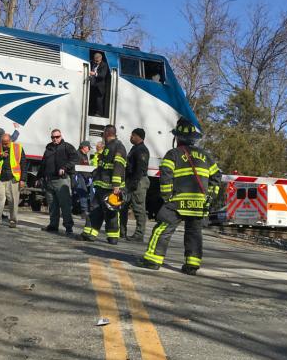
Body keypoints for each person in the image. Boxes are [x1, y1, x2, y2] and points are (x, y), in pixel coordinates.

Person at [138, 118, 221, 275]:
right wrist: (210, 198)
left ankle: (152, 261)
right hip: (199, 204)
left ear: (178, 138)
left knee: (162, 229)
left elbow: (166, 176)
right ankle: (192, 265)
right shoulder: (206, 156)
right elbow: (217, 176)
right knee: (194, 233)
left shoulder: (173, 154)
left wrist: (167, 196)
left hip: (177, 202)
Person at [81, 125, 127, 244]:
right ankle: (90, 234)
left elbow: (118, 167)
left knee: (111, 211)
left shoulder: (118, 147)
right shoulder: (109, 147)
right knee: (96, 210)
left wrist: (116, 185)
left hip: (111, 188)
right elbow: (103, 167)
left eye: (103, 133)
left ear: (107, 133)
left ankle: (113, 237)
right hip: (102, 185)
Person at [38, 129, 78, 234]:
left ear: (61, 136)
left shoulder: (67, 147)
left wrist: (64, 167)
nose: (55, 139)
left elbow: (74, 159)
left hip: (61, 181)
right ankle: (53, 225)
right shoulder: (49, 147)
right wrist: (39, 176)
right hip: (49, 180)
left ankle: (68, 227)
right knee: (52, 205)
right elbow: (43, 163)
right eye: (53, 137)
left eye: (57, 137)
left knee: (65, 205)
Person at [0, 134, 26, 229]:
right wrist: (1, 156)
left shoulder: (18, 147)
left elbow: (24, 165)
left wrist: (23, 179)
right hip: (0, 179)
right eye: (3, 143)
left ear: (10, 141)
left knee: (13, 201)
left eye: (6, 143)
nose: (4, 145)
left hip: (13, 179)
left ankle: (13, 220)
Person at [121, 128, 150, 241]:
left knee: (138, 208)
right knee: (123, 207)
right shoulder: (134, 149)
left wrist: (134, 183)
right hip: (130, 181)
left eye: (132, 135)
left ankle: (139, 234)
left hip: (138, 181)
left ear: (139, 137)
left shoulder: (142, 150)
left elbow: (140, 169)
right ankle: (122, 231)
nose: (130, 137)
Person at [72, 141, 93, 224]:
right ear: (84, 147)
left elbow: (86, 168)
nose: (89, 149)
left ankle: (75, 209)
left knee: (78, 194)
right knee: (82, 192)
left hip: (83, 176)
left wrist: (89, 177)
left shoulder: (84, 155)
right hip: (78, 175)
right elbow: (78, 167)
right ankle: (84, 211)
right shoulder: (77, 155)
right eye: (88, 147)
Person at [88, 52, 110, 117]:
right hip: (92, 85)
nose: (95, 61)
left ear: (100, 58)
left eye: (97, 60)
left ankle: (99, 114)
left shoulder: (104, 65)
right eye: (95, 60)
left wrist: (94, 74)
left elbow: (102, 75)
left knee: (99, 101)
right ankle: (91, 112)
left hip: (100, 87)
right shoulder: (93, 63)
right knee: (92, 100)